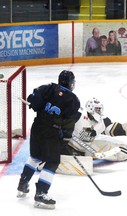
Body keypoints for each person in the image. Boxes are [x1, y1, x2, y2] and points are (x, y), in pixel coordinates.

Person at [16, 70, 81, 209]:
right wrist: (65, 140)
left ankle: (22, 184)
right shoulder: (73, 100)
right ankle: (41, 193)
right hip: (51, 132)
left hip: (37, 127)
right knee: (52, 161)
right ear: (70, 83)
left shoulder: (47, 88)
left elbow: (32, 100)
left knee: (35, 157)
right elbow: (69, 124)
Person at [61, 97, 127, 162]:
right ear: (90, 108)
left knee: (123, 154)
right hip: (69, 145)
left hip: (86, 148)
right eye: (97, 109)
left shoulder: (102, 120)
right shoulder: (79, 115)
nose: (99, 111)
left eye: (100, 109)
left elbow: (111, 129)